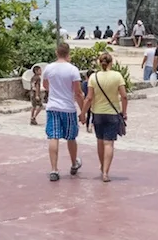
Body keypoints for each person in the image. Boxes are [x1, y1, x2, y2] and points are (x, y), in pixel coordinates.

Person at [81, 53, 128, 183]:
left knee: (100, 142)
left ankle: (102, 167)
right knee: (109, 143)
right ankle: (106, 173)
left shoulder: (93, 77)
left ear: (99, 63)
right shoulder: (117, 76)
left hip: (98, 114)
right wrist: (124, 112)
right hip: (113, 113)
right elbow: (124, 96)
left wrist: (83, 113)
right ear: (111, 62)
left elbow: (89, 98)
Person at [42, 43, 84, 182]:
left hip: (53, 106)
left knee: (53, 137)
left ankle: (54, 169)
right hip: (67, 107)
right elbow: (78, 92)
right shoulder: (73, 70)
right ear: (68, 53)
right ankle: (73, 164)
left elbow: (45, 85)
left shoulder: (48, 68)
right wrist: (83, 110)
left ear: (56, 52)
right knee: (71, 137)